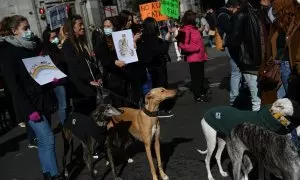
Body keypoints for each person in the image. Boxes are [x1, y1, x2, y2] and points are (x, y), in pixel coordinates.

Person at [0, 15, 62, 179]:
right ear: (14, 31)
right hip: (28, 103)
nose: (29, 31)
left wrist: (50, 77)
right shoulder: (7, 52)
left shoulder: (32, 46)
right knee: (48, 138)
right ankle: (55, 175)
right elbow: (13, 86)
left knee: (43, 141)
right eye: (24, 28)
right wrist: (28, 110)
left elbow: (39, 70)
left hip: (42, 98)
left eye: (29, 27)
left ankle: (47, 173)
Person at [137, 17, 174, 117]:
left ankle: (158, 108)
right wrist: (166, 40)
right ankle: (160, 109)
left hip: (152, 68)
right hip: (156, 68)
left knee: (154, 89)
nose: (157, 26)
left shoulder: (143, 39)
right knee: (159, 88)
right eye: (155, 24)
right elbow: (162, 50)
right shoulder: (151, 39)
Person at [116, 10, 146, 108]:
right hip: (128, 67)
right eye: (128, 20)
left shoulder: (132, 30)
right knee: (133, 93)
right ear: (122, 20)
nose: (130, 22)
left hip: (137, 65)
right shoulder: (119, 33)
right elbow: (125, 52)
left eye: (130, 20)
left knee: (139, 90)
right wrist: (133, 42)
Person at [95, 17, 127, 107]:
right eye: (105, 26)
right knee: (118, 104)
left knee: (126, 102)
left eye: (108, 26)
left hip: (124, 75)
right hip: (112, 78)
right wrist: (114, 62)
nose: (106, 28)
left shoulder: (119, 38)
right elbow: (104, 60)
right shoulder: (101, 41)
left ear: (114, 27)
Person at [178, 10, 209, 102]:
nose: (196, 19)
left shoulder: (193, 28)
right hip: (194, 57)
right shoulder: (185, 29)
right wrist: (195, 48)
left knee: (200, 77)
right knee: (196, 78)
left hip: (200, 57)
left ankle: (201, 92)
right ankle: (197, 95)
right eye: (195, 18)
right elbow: (182, 44)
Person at [42, 27, 67, 125]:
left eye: (56, 36)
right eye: (53, 37)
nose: (55, 39)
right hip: (56, 82)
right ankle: (64, 125)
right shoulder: (45, 52)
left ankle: (65, 122)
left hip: (63, 79)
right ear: (48, 39)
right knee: (63, 104)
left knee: (65, 104)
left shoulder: (57, 48)